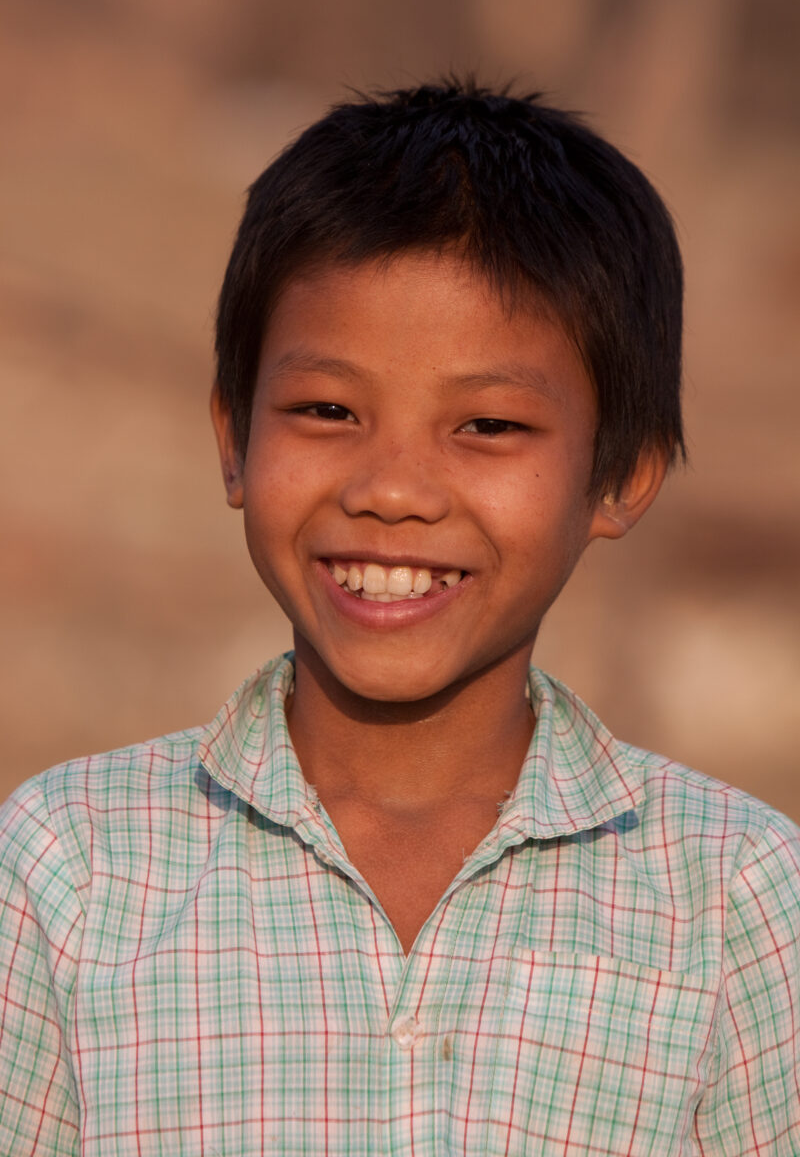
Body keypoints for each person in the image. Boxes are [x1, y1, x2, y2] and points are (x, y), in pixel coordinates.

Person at [1, 78, 798, 1156]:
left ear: (620, 476)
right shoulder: (69, 871)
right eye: (327, 411)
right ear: (233, 437)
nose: (393, 488)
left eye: (485, 424)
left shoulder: (735, 898)